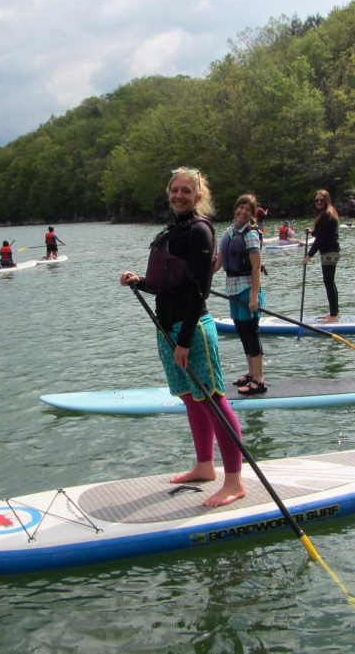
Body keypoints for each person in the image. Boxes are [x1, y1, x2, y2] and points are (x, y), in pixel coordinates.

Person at [119, 167, 245, 508]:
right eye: (174, 190)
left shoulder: (200, 232)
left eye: (186, 191)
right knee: (191, 399)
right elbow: (167, 284)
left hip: (192, 331)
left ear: (198, 196)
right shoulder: (173, 230)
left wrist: (185, 340)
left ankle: (234, 481)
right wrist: (139, 281)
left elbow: (197, 292)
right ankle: (205, 466)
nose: (178, 195)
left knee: (213, 400)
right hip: (166, 328)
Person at [214, 194, 266, 395]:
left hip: (247, 289)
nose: (242, 212)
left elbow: (256, 268)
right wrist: (205, 278)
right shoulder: (228, 232)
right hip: (232, 289)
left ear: (252, 214)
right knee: (242, 332)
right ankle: (251, 373)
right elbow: (218, 261)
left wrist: (254, 297)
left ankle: (259, 379)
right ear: (235, 209)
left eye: (247, 210)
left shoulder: (251, 234)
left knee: (251, 333)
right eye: (240, 208)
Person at [301, 189, 341, 323]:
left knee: (328, 282)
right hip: (330, 250)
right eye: (316, 200)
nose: (319, 202)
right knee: (330, 282)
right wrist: (312, 231)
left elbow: (320, 239)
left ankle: (334, 315)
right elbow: (319, 233)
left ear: (327, 201)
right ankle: (335, 313)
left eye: (322, 200)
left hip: (330, 251)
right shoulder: (324, 214)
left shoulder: (327, 214)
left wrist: (309, 256)